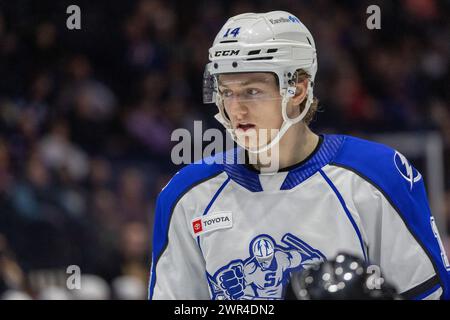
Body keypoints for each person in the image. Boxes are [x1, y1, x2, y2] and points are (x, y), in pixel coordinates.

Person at [148, 11, 450, 300]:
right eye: (227, 92)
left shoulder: (379, 176)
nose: (236, 109)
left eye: (252, 91)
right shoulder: (185, 197)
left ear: (299, 89)